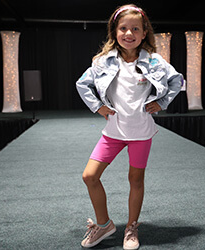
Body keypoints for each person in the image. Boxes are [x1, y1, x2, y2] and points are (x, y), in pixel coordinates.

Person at [76, 4, 183, 249]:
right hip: (112, 132)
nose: (129, 33)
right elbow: (82, 84)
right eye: (123, 28)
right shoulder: (103, 62)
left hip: (141, 132)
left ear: (144, 33)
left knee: (135, 180)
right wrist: (97, 106)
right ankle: (104, 225)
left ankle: (131, 228)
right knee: (89, 176)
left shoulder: (155, 61)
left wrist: (162, 101)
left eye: (135, 28)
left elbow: (177, 80)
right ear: (115, 32)